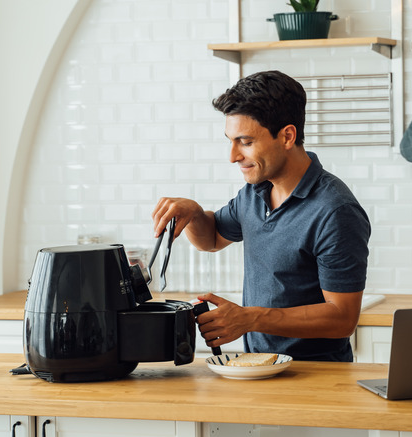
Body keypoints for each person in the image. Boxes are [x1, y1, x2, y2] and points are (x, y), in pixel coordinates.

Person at [151, 70, 370, 362]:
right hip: (258, 367)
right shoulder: (254, 192)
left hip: (315, 375)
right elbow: (212, 239)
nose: (233, 156)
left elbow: (342, 318)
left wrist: (250, 318)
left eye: (245, 141)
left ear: (287, 136)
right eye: (230, 140)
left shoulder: (335, 211)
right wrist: (193, 213)